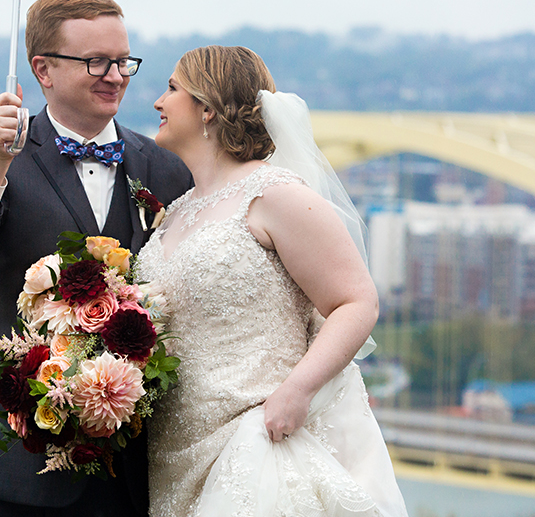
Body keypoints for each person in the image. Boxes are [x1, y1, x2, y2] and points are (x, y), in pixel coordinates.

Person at [0, 0, 193, 517]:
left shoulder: (163, 165)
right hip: (8, 462)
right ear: (42, 70)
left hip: (128, 469)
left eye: (123, 61)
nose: (115, 76)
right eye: (95, 61)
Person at [137, 46, 408, 517]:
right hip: (171, 452)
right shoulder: (174, 212)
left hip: (256, 440)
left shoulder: (274, 195)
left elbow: (356, 300)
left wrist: (297, 390)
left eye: (172, 88)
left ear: (207, 107)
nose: (158, 102)